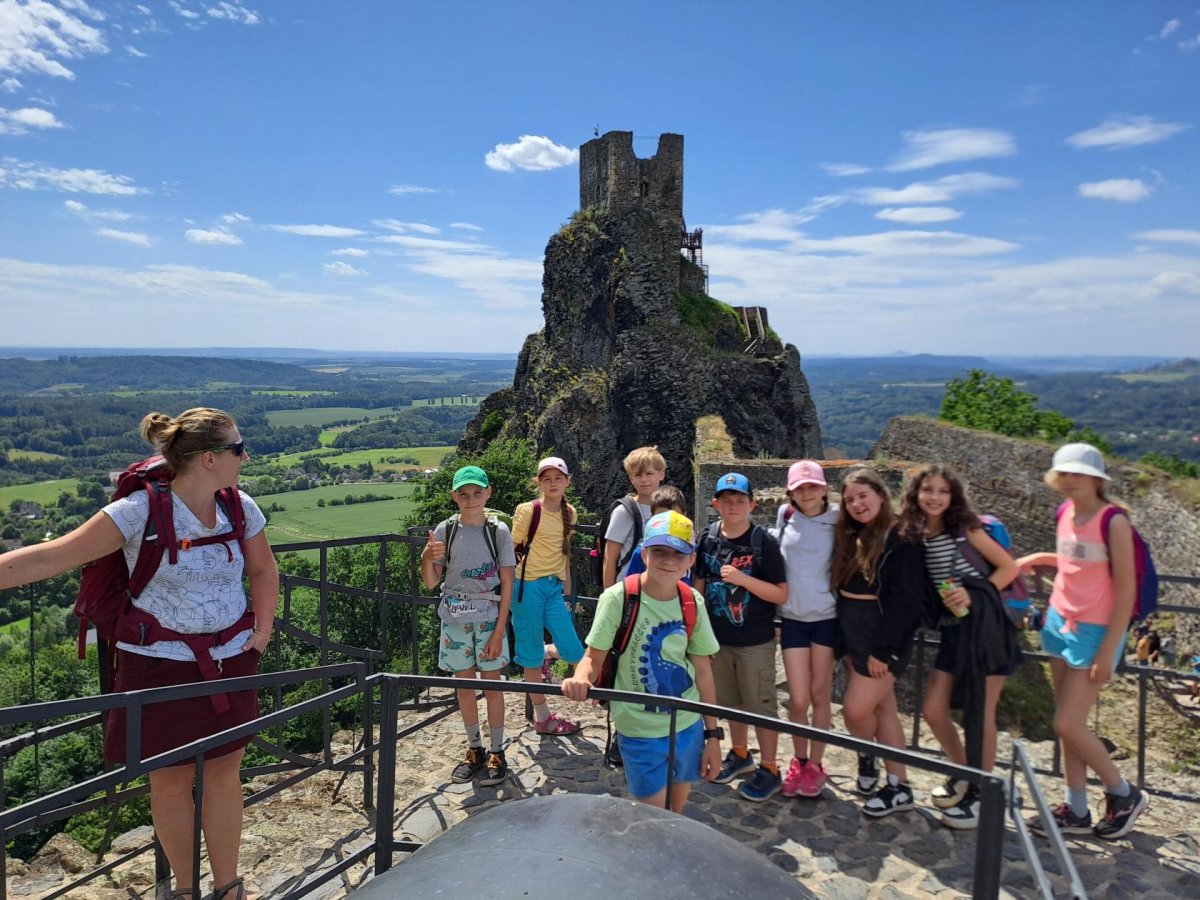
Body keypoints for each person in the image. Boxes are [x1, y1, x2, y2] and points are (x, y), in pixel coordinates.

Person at [0, 409, 277, 900]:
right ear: (209, 458)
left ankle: (229, 888)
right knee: (170, 779)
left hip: (229, 661)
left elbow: (263, 570)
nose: (246, 456)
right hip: (157, 666)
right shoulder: (138, 512)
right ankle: (186, 890)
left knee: (223, 772)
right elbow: (51, 556)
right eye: (238, 448)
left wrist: (261, 632)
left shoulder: (240, 506)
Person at [1017, 443, 1149, 840]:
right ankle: (1075, 807)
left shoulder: (1114, 522)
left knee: (1067, 722)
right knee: (1067, 724)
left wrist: (1109, 650)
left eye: (1078, 472)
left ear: (1096, 479)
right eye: (1064, 473)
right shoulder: (1065, 513)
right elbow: (1077, 562)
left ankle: (1123, 792)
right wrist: (1039, 558)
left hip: (1094, 631)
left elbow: (1125, 589)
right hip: (1059, 620)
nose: (1070, 479)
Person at [561, 511, 722, 812]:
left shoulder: (691, 602)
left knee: (675, 814)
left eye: (678, 554)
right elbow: (593, 657)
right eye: (660, 551)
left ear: (690, 560)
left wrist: (712, 735)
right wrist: (581, 677)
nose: (668, 561)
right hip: (639, 728)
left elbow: (703, 671)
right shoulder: (618, 598)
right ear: (644, 553)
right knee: (653, 817)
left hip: (687, 726)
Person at [898, 464, 1020, 829]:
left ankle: (982, 794)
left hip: (986, 629)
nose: (934, 497)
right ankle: (966, 772)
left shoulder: (967, 528)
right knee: (934, 710)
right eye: (927, 490)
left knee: (980, 714)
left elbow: (1008, 568)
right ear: (916, 494)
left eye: (942, 491)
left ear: (953, 496)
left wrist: (973, 592)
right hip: (955, 630)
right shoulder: (918, 533)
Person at [830, 467, 932, 817]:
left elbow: (907, 602)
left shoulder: (902, 538)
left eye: (863, 496)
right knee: (884, 710)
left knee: (855, 711)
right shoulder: (856, 534)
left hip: (880, 640)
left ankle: (868, 754)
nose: (857, 504)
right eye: (849, 500)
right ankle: (899, 785)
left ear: (881, 494)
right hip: (855, 635)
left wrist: (883, 650)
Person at [693, 472, 788, 802]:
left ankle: (771, 767)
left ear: (751, 505)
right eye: (726, 500)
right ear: (716, 504)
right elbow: (699, 590)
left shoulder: (764, 543)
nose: (733, 506)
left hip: (755, 641)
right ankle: (740, 753)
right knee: (731, 702)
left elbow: (780, 594)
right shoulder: (707, 538)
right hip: (719, 639)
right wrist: (699, 636)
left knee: (761, 705)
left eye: (739, 500)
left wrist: (742, 580)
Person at [419, 465, 516, 787]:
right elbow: (431, 581)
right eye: (464, 493)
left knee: (493, 686)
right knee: (464, 686)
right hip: (456, 617)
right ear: (454, 496)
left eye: (477, 493)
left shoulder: (498, 531)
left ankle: (497, 751)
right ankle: (475, 748)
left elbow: (507, 582)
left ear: (488, 493)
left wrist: (500, 631)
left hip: (488, 618)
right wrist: (426, 557)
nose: (470, 499)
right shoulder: (445, 530)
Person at [773, 460, 839, 800]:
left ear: (824, 488)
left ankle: (816, 765)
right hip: (793, 619)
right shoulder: (785, 515)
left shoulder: (839, 520)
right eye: (800, 488)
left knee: (820, 694)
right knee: (798, 699)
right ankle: (799, 761)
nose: (807, 492)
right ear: (791, 492)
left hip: (827, 618)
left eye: (813, 486)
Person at [510, 457, 585, 735]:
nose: (552, 483)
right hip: (525, 586)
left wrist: (567, 588)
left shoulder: (570, 513)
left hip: (553, 588)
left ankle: (546, 653)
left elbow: (564, 550)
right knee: (529, 657)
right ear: (539, 483)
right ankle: (543, 718)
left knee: (573, 651)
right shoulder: (528, 510)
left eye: (558, 478)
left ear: (567, 481)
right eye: (546, 479)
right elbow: (512, 548)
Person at [602, 446, 667, 587]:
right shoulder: (624, 511)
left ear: (661, 474)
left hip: (660, 589)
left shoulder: (669, 510)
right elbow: (610, 558)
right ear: (631, 479)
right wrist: (609, 595)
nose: (644, 479)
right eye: (637, 475)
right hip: (629, 587)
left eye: (649, 473)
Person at [625, 485, 689, 580]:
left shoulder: (691, 549)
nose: (668, 521)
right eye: (661, 517)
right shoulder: (641, 552)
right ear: (651, 518)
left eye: (674, 516)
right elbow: (632, 584)